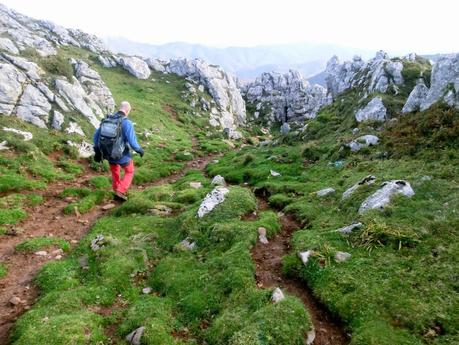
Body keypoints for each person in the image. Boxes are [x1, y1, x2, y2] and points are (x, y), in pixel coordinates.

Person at [93, 101, 144, 201]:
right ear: (128, 110)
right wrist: (139, 150)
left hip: (108, 153)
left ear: (120, 108)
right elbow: (132, 142)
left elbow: (95, 136)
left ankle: (116, 189)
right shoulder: (126, 123)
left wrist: (97, 151)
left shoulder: (107, 119)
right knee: (130, 171)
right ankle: (120, 191)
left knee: (115, 171)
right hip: (121, 155)